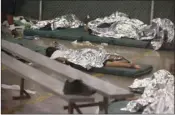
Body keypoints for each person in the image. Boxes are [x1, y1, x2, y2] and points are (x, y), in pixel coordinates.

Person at [46, 47, 141, 70]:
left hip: (78, 56)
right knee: (102, 57)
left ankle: (129, 65)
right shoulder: (61, 50)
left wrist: (66, 62)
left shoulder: (54, 55)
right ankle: (125, 61)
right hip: (84, 52)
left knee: (103, 63)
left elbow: (62, 59)